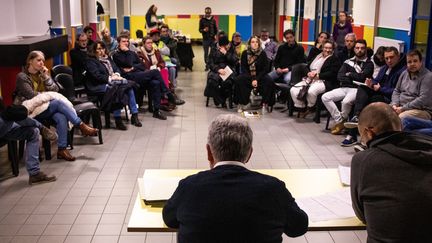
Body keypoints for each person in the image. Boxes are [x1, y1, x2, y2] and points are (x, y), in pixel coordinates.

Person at [163, 114, 309, 243]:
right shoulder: (273, 189)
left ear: (209, 152)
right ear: (249, 154)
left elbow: (169, 219)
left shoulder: (189, 186)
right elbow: (298, 227)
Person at [351, 102, 432, 243]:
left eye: (362, 139)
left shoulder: (363, 161)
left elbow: (362, 215)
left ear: (369, 132)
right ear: (400, 126)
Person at [14, 51, 99, 161]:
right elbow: (31, 95)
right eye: (38, 60)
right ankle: (80, 125)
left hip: (45, 107)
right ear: (30, 61)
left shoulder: (41, 74)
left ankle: (62, 149)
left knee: (61, 116)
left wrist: (46, 76)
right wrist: (48, 95)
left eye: (43, 61)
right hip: (29, 110)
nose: (41, 63)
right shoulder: (22, 76)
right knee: (57, 102)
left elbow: (55, 90)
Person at [341, 47, 407, 146]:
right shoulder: (385, 67)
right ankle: (356, 118)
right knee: (362, 89)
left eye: (391, 57)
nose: (389, 61)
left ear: (397, 56)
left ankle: (360, 136)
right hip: (379, 93)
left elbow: (397, 91)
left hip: (389, 98)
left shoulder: (402, 71)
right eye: (386, 58)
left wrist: (380, 89)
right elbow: (377, 80)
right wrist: (371, 83)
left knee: (369, 104)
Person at [112, 35, 181, 120]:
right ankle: (168, 94)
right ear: (118, 43)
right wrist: (128, 54)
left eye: (127, 41)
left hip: (138, 74)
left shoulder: (132, 53)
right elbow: (128, 63)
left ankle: (156, 111)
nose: (126, 43)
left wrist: (133, 67)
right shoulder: (116, 54)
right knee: (155, 72)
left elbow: (141, 65)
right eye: (123, 41)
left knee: (155, 83)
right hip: (128, 77)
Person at [85, 40, 142, 130]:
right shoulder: (91, 61)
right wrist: (111, 78)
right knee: (117, 89)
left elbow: (116, 69)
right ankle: (117, 119)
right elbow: (96, 76)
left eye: (103, 48)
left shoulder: (108, 59)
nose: (101, 51)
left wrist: (117, 75)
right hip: (97, 85)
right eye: (99, 49)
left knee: (128, 88)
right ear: (94, 50)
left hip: (113, 82)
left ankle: (134, 115)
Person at [321, 39, 374, 135]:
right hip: (344, 88)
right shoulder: (347, 61)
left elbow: (363, 78)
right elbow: (340, 76)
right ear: (354, 49)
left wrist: (349, 74)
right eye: (357, 48)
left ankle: (341, 123)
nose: (359, 50)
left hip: (357, 89)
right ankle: (341, 121)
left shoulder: (369, 64)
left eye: (362, 48)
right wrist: (353, 77)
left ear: (365, 49)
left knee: (345, 102)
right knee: (325, 97)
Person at [0, 104, 57, 185]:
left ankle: (34, 174)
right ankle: (41, 127)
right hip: (3, 129)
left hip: (8, 125)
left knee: (33, 132)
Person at [290, 40, 340, 118]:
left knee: (311, 92)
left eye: (330, 48)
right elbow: (307, 66)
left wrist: (318, 75)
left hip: (324, 81)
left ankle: (311, 107)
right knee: (293, 90)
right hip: (310, 79)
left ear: (333, 49)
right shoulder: (318, 56)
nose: (327, 50)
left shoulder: (335, 59)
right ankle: (302, 108)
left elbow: (332, 73)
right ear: (322, 48)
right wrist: (308, 73)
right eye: (326, 48)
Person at [234, 36, 274, 112]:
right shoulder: (245, 53)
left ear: (259, 44)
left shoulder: (262, 53)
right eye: (253, 42)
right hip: (248, 75)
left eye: (256, 42)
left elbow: (265, 69)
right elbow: (244, 68)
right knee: (239, 80)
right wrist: (252, 79)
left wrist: (256, 79)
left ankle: (265, 103)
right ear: (249, 44)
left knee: (269, 81)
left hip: (260, 76)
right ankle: (242, 103)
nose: (255, 44)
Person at [391, 49, 432, 120]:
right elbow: (397, 90)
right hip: (400, 107)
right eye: (409, 62)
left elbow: (423, 99)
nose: (412, 64)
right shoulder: (404, 73)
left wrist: (403, 108)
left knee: (401, 117)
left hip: (422, 110)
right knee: (381, 110)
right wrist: (395, 104)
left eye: (415, 61)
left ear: (421, 62)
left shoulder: (428, 76)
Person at [204, 35, 238, 108]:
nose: (223, 47)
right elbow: (210, 62)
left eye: (225, 45)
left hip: (228, 69)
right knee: (212, 81)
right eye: (222, 45)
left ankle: (220, 100)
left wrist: (226, 53)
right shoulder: (214, 47)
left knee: (226, 82)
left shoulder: (231, 47)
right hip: (216, 69)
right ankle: (220, 100)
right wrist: (218, 69)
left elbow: (235, 60)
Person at [199, 7, 218, 71]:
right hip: (205, 39)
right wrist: (203, 30)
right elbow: (199, 30)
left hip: (212, 39)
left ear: (210, 12)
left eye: (209, 13)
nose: (208, 14)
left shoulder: (213, 20)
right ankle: (207, 65)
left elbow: (216, 29)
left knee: (213, 52)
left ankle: (212, 65)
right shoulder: (202, 20)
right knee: (206, 53)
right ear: (205, 12)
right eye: (207, 13)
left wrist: (215, 35)